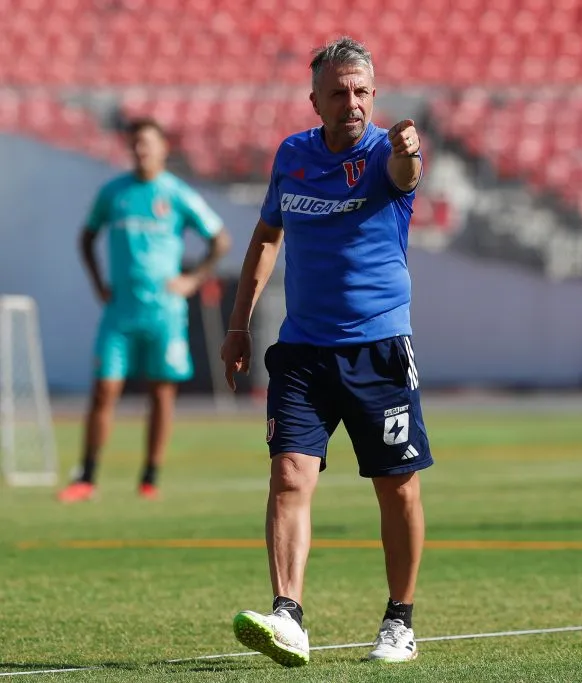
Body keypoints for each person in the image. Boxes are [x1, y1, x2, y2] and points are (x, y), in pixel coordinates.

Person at [221, 37, 431, 667]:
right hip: (304, 352)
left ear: (375, 94)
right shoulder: (293, 155)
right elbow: (266, 236)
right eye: (338, 92)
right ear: (314, 99)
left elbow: (406, 177)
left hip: (379, 351)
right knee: (288, 476)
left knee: (396, 489)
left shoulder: (385, 154)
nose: (352, 103)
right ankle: (288, 617)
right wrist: (238, 326)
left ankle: (400, 621)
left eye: (362, 91)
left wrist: (408, 154)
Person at [58, 118, 230, 503]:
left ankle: (150, 476)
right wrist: (98, 283)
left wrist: (193, 279)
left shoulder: (177, 193)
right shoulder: (113, 194)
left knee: (161, 393)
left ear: (163, 148)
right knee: (105, 389)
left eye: (148, 144)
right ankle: (86, 475)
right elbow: (86, 237)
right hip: (120, 310)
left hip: (164, 312)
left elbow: (219, 239)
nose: (141, 151)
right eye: (135, 145)